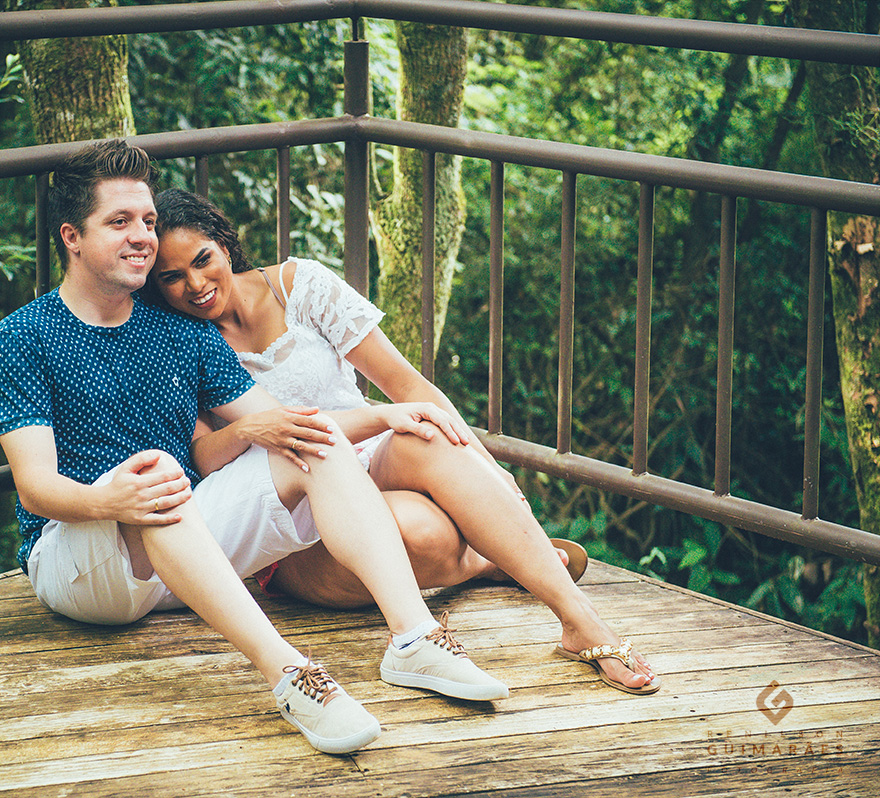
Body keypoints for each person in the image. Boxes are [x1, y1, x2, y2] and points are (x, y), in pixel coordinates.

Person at [0, 140, 515, 757]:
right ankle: (292, 676)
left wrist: (382, 415)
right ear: (73, 237)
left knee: (307, 436)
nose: (142, 237)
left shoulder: (180, 332)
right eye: (119, 222)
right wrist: (111, 500)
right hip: (80, 556)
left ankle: (414, 638)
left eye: (148, 221)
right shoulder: (24, 337)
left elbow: (280, 426)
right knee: (159, 477)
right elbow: (36, 488)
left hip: (186, 548)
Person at [145, 187, 660, 696]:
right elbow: (203, 457)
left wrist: (490, 468)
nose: (195, 284)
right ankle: (488, 561)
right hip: (292, 519)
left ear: (223, 242)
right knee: (424, 533)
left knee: (428, 432)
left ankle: (580, 620)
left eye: (202, 260)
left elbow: (409, 387)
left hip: (371, 457)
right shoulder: (170, 340)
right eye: (171, 277)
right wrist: (250, 429)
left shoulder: (299, 285)